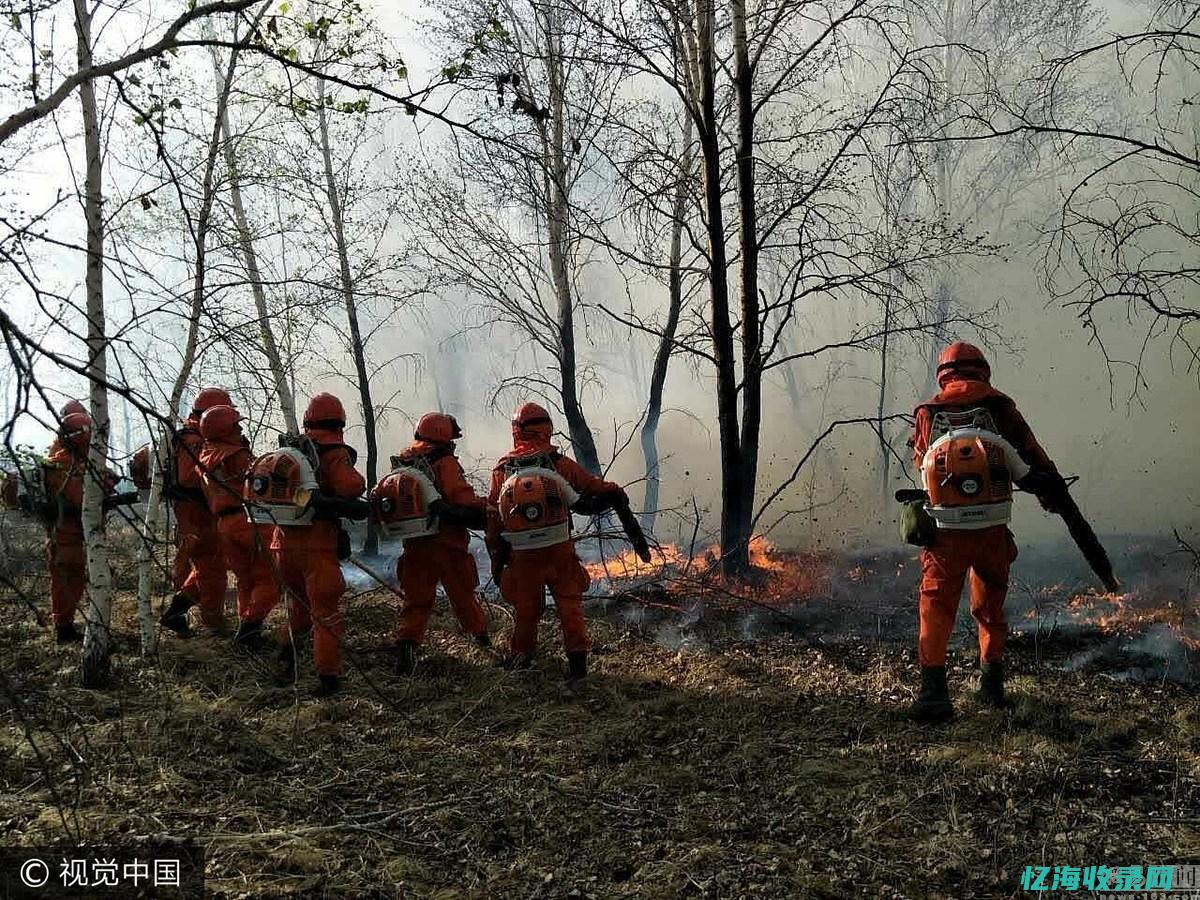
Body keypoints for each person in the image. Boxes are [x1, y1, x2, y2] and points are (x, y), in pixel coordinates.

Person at [908, 341, 1065, 723]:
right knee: (990, 606)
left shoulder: (928, 412)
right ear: (982, 369)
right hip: (993, 530)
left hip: (945, 533)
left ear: (944, 373)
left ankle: (933, 695)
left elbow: (921, 462)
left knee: (937, 608)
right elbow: (1031, 455)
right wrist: (1052, 488)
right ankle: (991, 685)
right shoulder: (1002, 407)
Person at [486, 402, 628, 681]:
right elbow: (591, 486)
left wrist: (497, 556)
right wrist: (614, 491)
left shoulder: (503, 469)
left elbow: (494, 515)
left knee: (526, 610)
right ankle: (578, 667)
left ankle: (522, 661)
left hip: (523, 554)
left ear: (516, 432)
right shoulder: (557, 463)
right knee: (570, 605)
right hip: (558, 549)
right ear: (547, 429)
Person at [271, 393, 366, 696]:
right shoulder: (334, 452)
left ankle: (284, 658)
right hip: (316, 546)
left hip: (282, 545)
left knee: (298, 608)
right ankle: (328, 678)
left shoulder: (289, 452)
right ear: (339, 421)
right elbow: (350, 486)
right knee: (325, 613)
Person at [391, 412, 490, 675]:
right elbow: (460, 497)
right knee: (463, 596)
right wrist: (485, 509)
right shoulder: (442, 462)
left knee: (416, 600)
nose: (453, 444)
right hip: (447, 544)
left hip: (414, 544)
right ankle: (483, 642)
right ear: (442, 436)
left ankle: (406, 650)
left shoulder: (405, 462)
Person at [198, 404, 278, 648]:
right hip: (247, 519)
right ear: (225, 429)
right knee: (272, 578)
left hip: (224, 525)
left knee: (246, 581)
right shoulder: (236, 455)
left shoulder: (203, 457)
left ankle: (249, 636)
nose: (240, 428)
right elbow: (262, 482)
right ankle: (248, 628)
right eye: (236, 425)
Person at [159, 387, 231, 634]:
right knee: (213, 571)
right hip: (196, 514)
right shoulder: (193, 441)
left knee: (207, 568)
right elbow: (191, 479)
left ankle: (175, 613)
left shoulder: (192, 437)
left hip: (196, 513)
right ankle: (214, 624)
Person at [42, 412, 116, 642]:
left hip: (64, 535)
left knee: (67, 581)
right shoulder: (69, 466)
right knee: (68, 581)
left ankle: (65, 624)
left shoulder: (60, 461)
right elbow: (84, 500)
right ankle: (65, 628)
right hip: (68, 536)